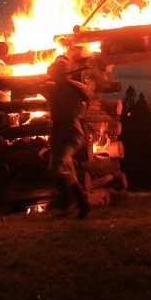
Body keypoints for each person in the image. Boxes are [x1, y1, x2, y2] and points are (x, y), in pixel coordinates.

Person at [42, 56, 93, 218]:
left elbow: (88, 95)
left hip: (72, 130)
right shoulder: (51, 88)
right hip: (57, 131)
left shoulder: (75, 88)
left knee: (58, 165)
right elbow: (39, 87)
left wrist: (68, 84)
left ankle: (68, 206)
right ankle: (82, 203)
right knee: (67, 171)